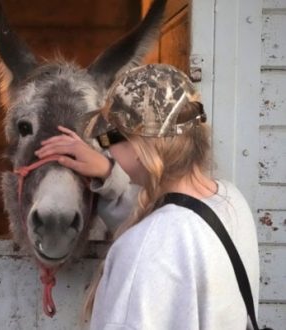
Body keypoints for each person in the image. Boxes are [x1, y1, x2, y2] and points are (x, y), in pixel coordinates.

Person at [35, 63, 260, 329]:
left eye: (107, 138)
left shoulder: (146, 246)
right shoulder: (230, 200)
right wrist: (108, 173)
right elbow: (170, 222)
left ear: (140, 146)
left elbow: (158, 238)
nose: (107, 149)